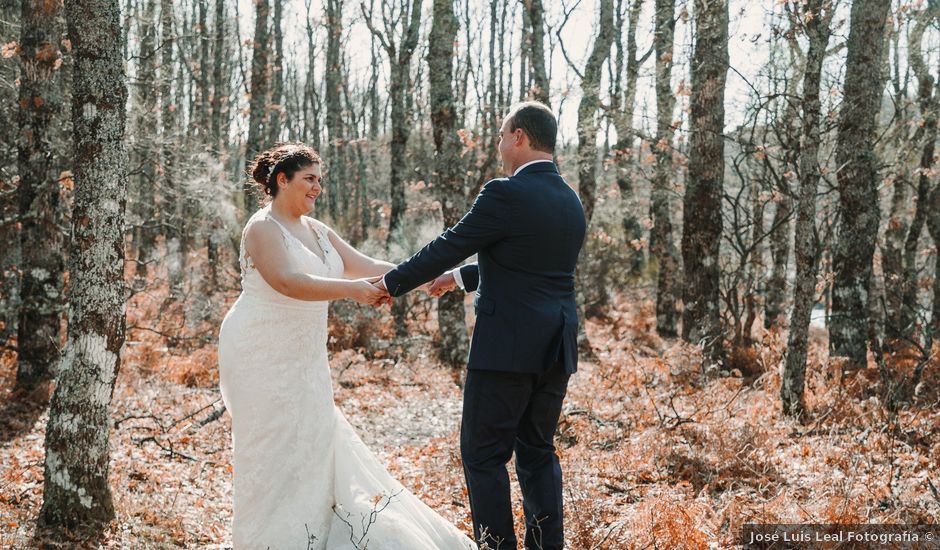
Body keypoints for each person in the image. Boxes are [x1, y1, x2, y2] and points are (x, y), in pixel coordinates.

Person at [217, 143, 474, 549]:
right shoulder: (262, 227)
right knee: (271, 445)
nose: (317, 188)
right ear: (282, 180)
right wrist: (352, 293)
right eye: (309, 179)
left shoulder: (318, 230)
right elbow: (286, 281)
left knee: (314, 438)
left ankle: (314, 531)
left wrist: (427, 277)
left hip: (305, 355)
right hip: (258, 351)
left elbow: (369, 267)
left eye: (320, 180)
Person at [376, 101, 587, 550]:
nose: (498, 144)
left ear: (519, 137)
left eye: (501, 134)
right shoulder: (570, 200)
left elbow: (450, 243)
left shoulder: (505, 193)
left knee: (483, 456)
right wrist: (464, 277)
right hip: (557, 346)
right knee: (536, 452)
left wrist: (391, 283)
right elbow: (533, 264)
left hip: (507, 350)